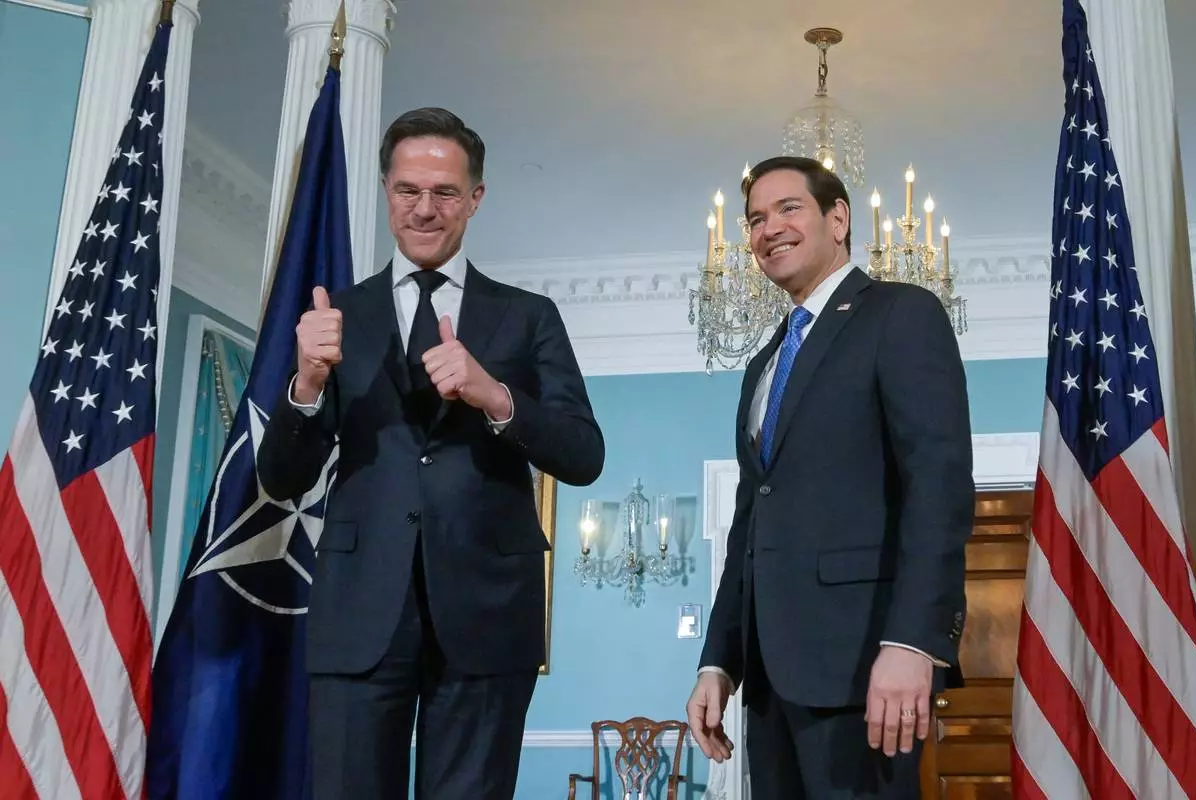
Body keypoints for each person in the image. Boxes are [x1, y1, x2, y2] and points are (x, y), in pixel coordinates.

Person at [258, 107, 605, 799]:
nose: (424, 209)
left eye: (445, 192)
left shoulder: (528, 316)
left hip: (489, 615)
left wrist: (494, 395)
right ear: (387, 192)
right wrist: (308, 384)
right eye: (408, 190)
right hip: (359, 614)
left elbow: (583, 454)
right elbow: (281, 478)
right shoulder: (335, 317)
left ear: (475, 198)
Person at [685, 156, 974, 798]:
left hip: (866, 668)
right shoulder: (764, 363)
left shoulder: (902, 313)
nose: (768, 229)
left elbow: (939, 487)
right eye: (755, 219)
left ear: (838, 219)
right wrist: (718, 662)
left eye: (788, 208)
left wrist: (914, 642)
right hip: (769, 681)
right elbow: (750, 526)